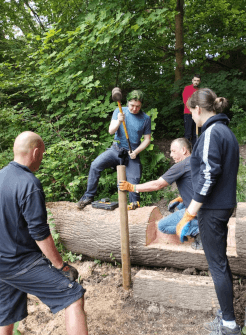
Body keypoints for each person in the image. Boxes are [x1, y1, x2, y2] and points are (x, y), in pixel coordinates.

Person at [0, 131, 88, 335]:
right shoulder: (29, 184)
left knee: (6, 313)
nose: (42, 158)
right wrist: (61, 266)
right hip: (18, 263)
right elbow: (40, 234)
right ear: (36, 152)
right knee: (74, 296)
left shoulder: (1, 176)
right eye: (43, 154)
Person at [176, 88, 240, 335]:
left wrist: (189, 213)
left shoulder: (212, 132)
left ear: (198, 109)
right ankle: (227, 315)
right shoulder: (225, 131)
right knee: (220, 262)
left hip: (212, 209)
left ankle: (229, 325)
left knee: (217, 264)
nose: (191, 116)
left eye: (191, 111)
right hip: (221, 206)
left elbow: (209, 173)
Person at [119, 138, 202, 248]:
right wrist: (182, 198)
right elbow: (198, 185)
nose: (171, 155)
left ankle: (198, 230)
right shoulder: (197, 161)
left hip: (198, 211)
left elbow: (157, 185)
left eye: (173, 151)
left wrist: (132, 187)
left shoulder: (181, 166)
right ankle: (196, 224)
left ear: (183, 150)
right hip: (205, 205)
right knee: (180, 205)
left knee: (163, 226)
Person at [77, 89, 151, 210]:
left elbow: (147, 140)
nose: (134, 109)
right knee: (95, 165)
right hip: (115, 150)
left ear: (141, 105)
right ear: (127, 103)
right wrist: (119, 121)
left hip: (132, 154)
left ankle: (134, 205)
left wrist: (136, 152)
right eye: (132, 105)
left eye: (138, 106)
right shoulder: (119, 110)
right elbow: (111, 131)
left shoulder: (145, 118)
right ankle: (88, 196)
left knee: (134, 180)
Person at [183, 74, 201, 147]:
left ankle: (194, 151)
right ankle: (185, 151)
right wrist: (193, 110)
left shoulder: (199, 90)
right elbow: (185, 101)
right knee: (188, 134)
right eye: (195, 80)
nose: (196, 82)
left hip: (197, 115)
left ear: (199, 81)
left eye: (197, 81)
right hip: (188, 114)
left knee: (195, 134)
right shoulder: (187, 88)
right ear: (192, 80)